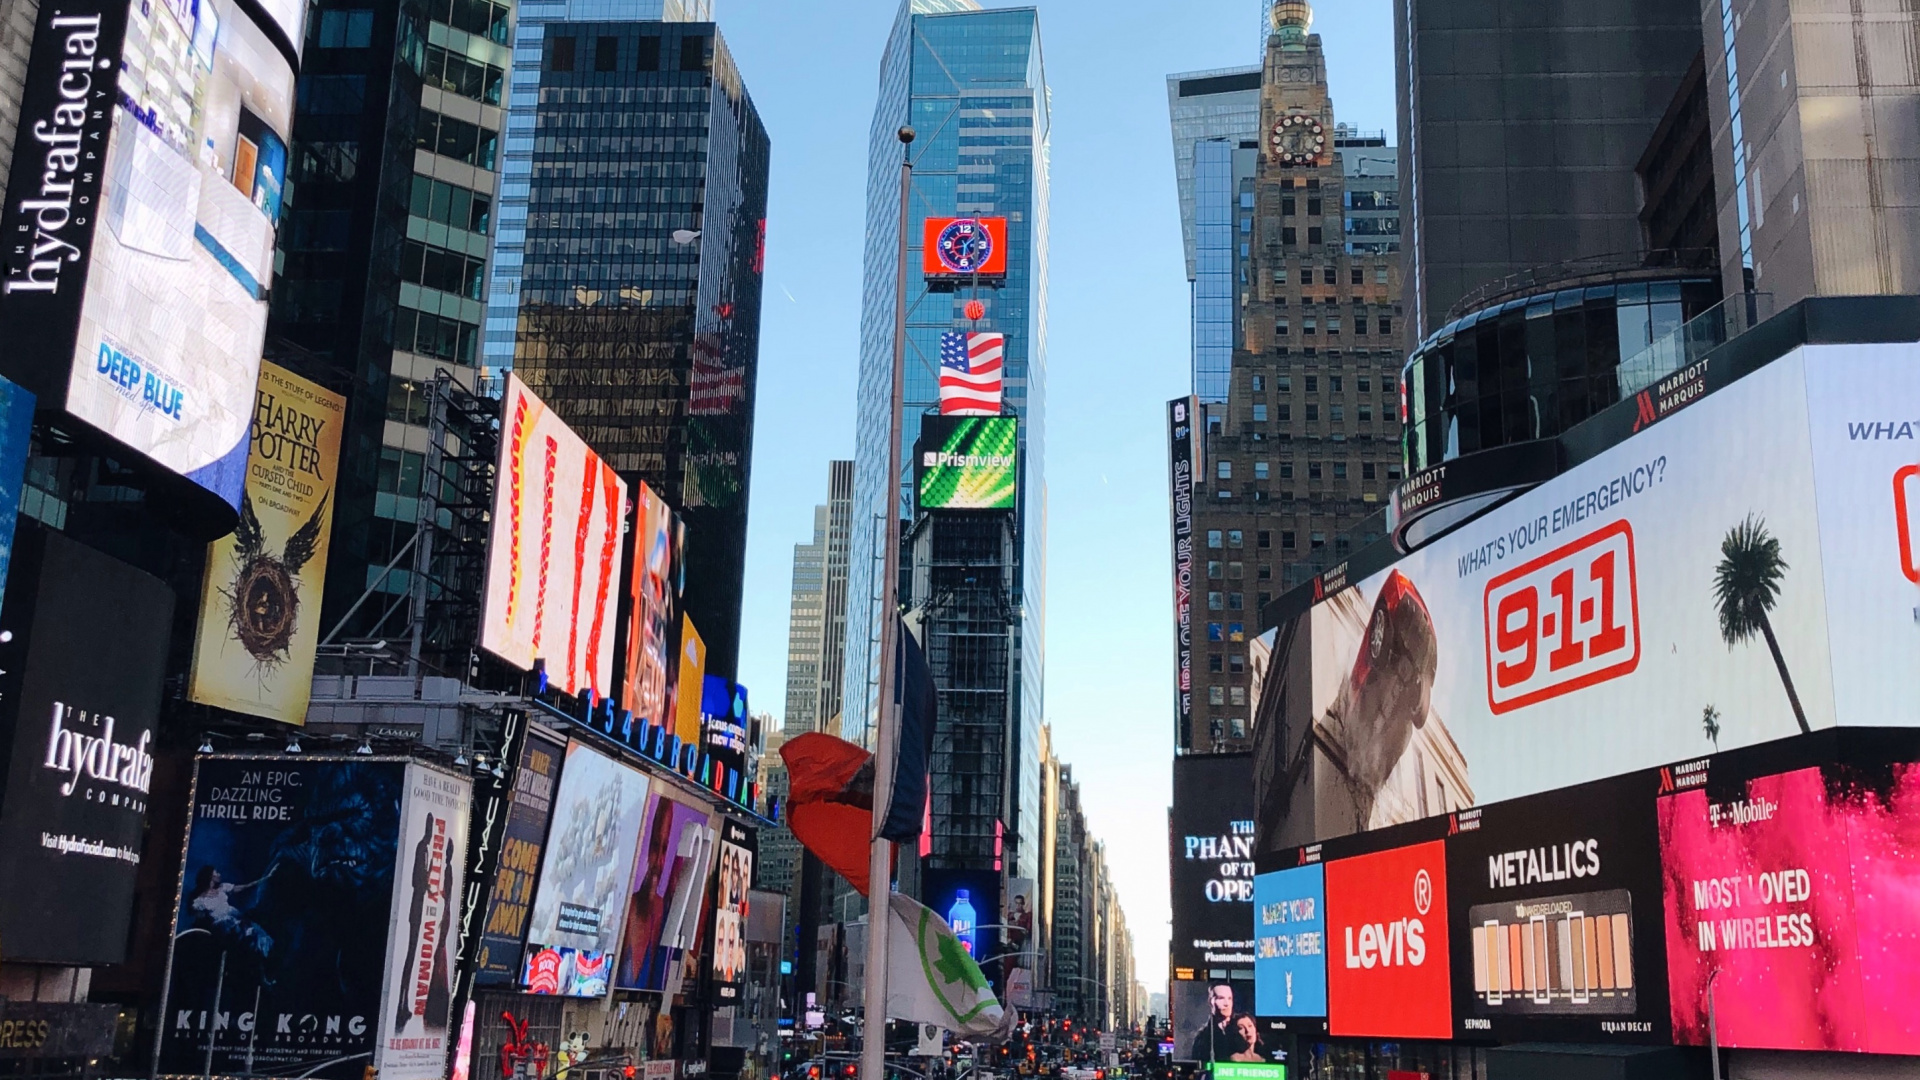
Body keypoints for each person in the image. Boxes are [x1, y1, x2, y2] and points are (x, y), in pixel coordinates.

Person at [1187, 983, 1247, 1062]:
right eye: (1221, 998)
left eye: (1229, 998)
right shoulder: (1203, 1036)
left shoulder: (1244, 1026)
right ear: (1211, 1001)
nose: (1227, 1004)